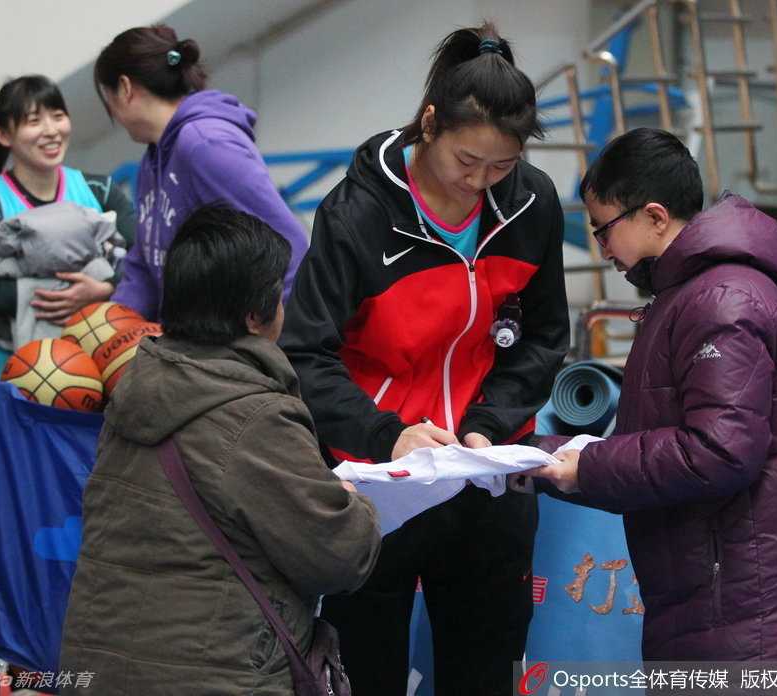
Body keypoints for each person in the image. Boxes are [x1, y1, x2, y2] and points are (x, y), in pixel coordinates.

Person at [281, 22, 569, 695]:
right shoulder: (357, 214)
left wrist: (489, 425)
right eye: (467, 161)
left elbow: (545, 335)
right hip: (377, 484)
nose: (481, 182)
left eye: (501, 166)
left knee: (485, 669)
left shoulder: (530, 204)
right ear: (430, 125)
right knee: (367, 669)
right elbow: (304, 353)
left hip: (485, 476)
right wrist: (387, 434)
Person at [532, 127, 777, 660]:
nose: (602, 247)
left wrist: (583, 465)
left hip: (751, 600)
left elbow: (719, 451)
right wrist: (545, 460)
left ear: (655, 217)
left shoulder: (721, 299)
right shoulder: (691, 293)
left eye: (604, 228)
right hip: (727, 588)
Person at [60, 205, 381, 694]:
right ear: (255, 316)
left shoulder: (137, 388)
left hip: (97, 669)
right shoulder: (256, 415)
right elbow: (341, 558)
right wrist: (353, 501)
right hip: (215, 675)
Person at [0, 74, 136, 531]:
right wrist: (76, 289)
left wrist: (103, 288)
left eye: (57, 115)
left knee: (94, 522)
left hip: (93, 377)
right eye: (33, 121)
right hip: (11, 376)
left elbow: (145, 265)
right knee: (18, 526)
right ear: (3, 134)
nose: (51, 130)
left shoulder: (98, 190)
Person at [92, 24, 307, 320]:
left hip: (247, 348)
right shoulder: (151, 162)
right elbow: (144, 267)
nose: (112, 115)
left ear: (125, 89)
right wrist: (109, 328)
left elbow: (286, 249)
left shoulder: (204, 144)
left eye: (108, 98)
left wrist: (281, 348)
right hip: (194, 349)